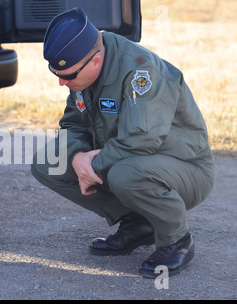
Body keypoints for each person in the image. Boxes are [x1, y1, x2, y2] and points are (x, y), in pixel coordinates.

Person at [31, 7, 216, 278]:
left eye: (68, 76)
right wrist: (76, 157)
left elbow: (140, 140)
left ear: (95, 61)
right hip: (133, 163)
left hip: (186, 170)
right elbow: (72, 124)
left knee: (123, 173)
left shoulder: (141, 72)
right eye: (57, 74)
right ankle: (139, 223)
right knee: (49, 162)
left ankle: (176, 240)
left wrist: (90, 167)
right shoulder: (86, 72)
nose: (61, 82)